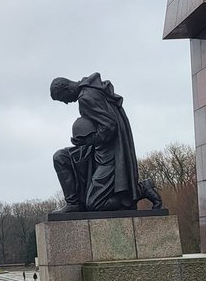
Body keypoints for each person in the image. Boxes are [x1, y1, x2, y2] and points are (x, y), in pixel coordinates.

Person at [49, 74, 161, 213]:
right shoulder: (90, 89)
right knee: (61, 157)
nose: (66, 102)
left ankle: (140, 190)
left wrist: (86, 141)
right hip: (98, 149)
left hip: (109, 156)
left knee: (95, 204)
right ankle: (73, 203)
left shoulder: (86, 97)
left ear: (66, 89)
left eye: (63, 99)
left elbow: (109, 127)